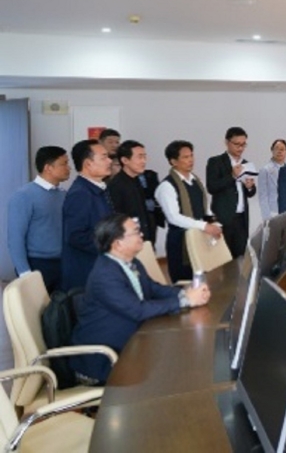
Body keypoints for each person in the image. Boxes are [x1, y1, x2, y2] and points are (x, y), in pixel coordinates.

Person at [70, 214, 210, 385]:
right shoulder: (105, 275)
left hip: (132, 344)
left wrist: (185, 293)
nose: (142, 234)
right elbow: (138, 310)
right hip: (105, 360)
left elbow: (153, 288)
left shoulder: (130, 262)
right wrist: (185, 301)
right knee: (172, 370)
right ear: (118, 243)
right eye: (136, 232)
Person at [155, 140, 223, 282]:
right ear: (173, 161)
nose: (191, 160)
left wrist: (214, 223)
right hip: (180, 242)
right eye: (185, 157)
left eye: (191, 155)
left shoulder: (195, 181)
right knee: (186, 283)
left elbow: (205, 208)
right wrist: (204, 226)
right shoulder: (167, 186)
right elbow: (174, 217)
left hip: (200, 237)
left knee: (206, 280)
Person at [6, 146, 70, 293]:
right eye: (64, 164)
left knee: (61, 306)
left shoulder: (63, 195)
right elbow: (15, 238)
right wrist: (24, 273)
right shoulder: (24, 196)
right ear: (48, 168)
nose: (68, 168)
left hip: (62, 263)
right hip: (38, 265)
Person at [61, 139, 114, 290]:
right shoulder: (80, 194)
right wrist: (112, 246)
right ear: (88, 164)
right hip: (86, 273)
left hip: (100, 268)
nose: (110, 161)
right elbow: (75, 236)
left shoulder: (98, 189)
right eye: (104, 157)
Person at [206, 127, 256, 258]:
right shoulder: (215, 162)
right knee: (223, 257)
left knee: (240, 256)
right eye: (237, 144)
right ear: (227, 142)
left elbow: (250, 193)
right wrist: (232, 176)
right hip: (223, 218)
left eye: (243, 144)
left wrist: (250, 187)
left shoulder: (246, 164)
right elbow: (212, 187)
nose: (240, 148)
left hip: (241, 218)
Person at [108, 140, 155, 244]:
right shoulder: (116, 185)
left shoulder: (136, 180)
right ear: (125, 160)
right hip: (127, 240)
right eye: (139, 157)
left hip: (142, 238)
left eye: (144, 157)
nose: (144, 161)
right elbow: (118, 218)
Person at [257, 139, 286, 219]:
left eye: (282, 149)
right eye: (276, 149)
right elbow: (263, 196)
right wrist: (267, 217)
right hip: (273, 212)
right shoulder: (265, 170)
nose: (279, 151)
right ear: (272, 150)